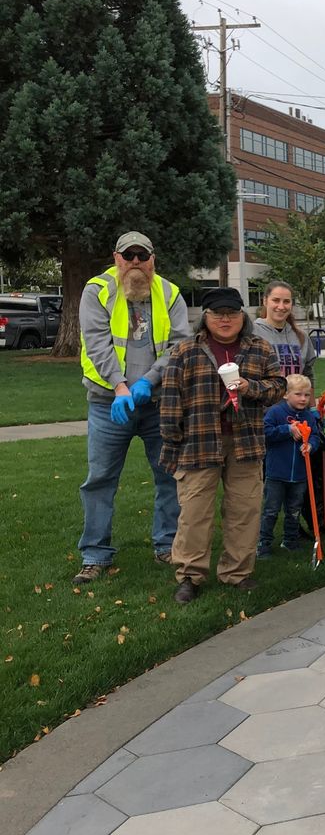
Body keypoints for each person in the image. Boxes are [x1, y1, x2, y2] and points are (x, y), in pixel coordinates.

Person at [74, 231, 190, 584]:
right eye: (129, 256)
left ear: (153, 258)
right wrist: (121, 387)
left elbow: (179, 346)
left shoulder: (169, 293)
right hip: (109, 404)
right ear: (116, 258)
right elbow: (97, 344)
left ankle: (167, 545)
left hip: (157, 403)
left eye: (143, 255)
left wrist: (147, 382)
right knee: (100, 480)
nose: (136, 262)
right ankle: (95, 555)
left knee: (169, 477)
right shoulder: (97, 291)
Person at [159, 287, 285, 604]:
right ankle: (190, 576)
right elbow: (170, 400)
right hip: (198, 442)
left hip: (245, 442)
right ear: (206, 318)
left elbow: (278, 387)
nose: (225, 319)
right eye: (218, 314)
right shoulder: (185, 351)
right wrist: (172, 442)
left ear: (243, 316)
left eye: (232, 313)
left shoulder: (260, 348)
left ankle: (237, 573)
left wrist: (250, 387)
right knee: (194, 514)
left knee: (244, 510)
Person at [258, 374, 322, 558]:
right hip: (276, 472)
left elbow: (316, 437)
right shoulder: (275, 412)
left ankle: (290, 541)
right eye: (298, 394)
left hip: (300, 474)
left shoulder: (308, 416)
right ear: (286, 395)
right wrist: (287, 430)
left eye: (307, 395)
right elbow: (265, 433)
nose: (303, 399)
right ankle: (263, 544)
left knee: (294, 510)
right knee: (271, 510)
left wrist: (310, 446)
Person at [253, 280, 317, 379]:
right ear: (265, 301)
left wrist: (308, 394)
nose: (281, 306)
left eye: (286, 301)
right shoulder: (252, 333)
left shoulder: (301, 336)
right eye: (276, 300)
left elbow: (308, 373)